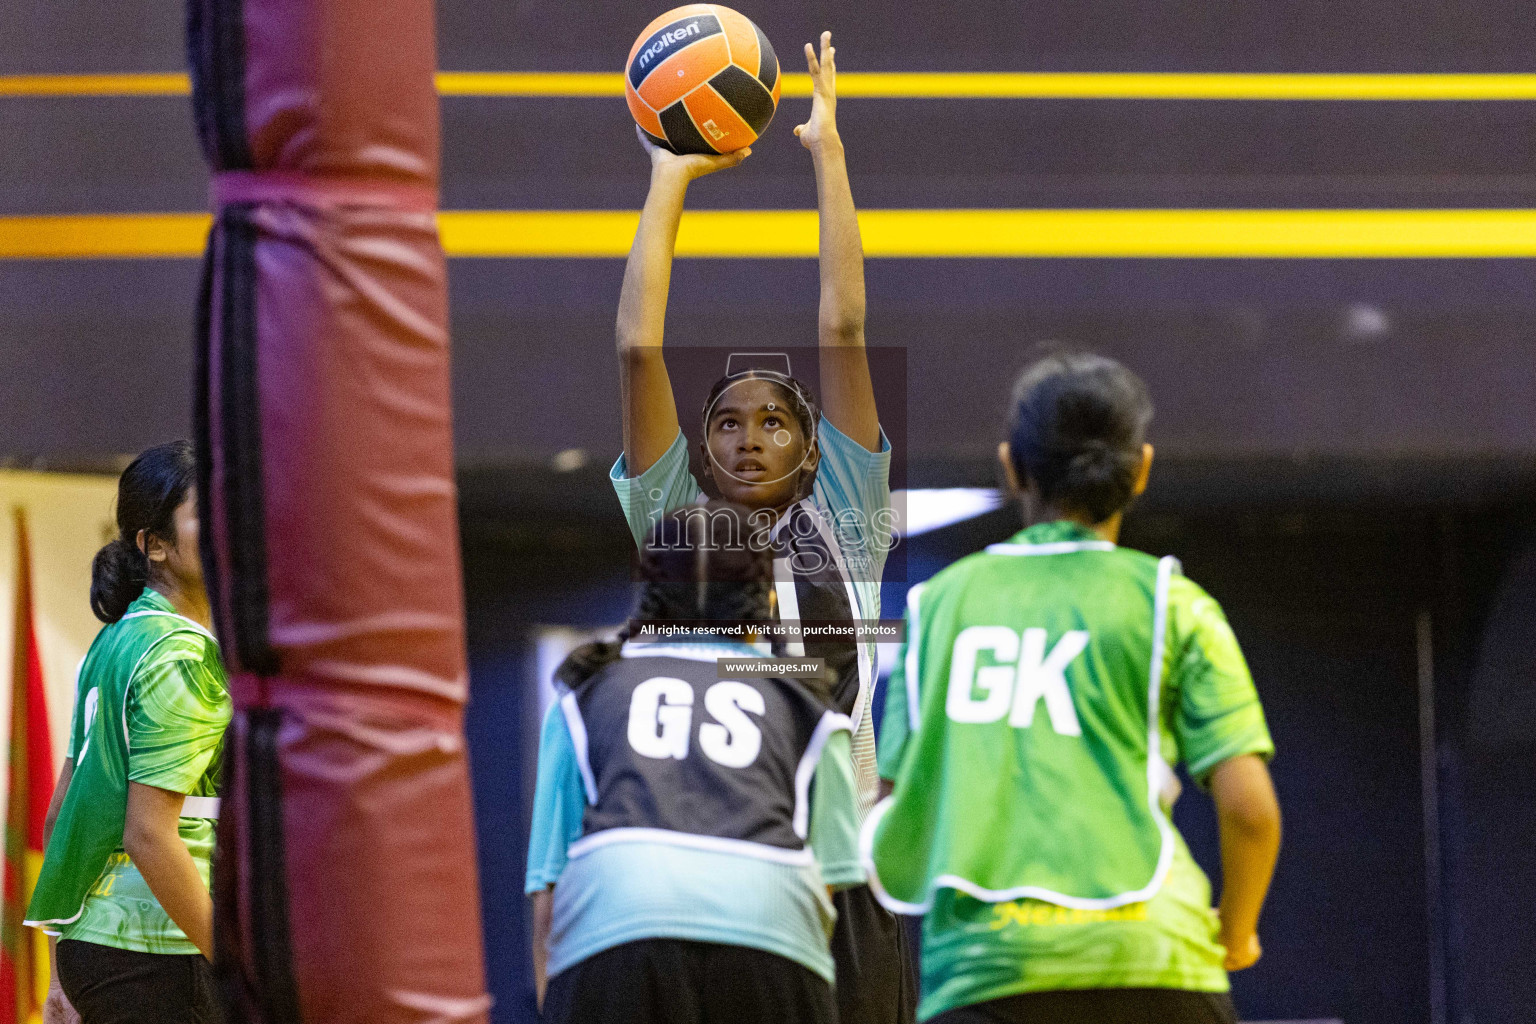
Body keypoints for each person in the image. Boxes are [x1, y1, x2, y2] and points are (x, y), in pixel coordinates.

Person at [611, 30, 913, 1024]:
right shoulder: (675, 530)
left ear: (816, 448)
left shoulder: (850, 526)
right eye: (728, 423)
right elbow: (637, 348)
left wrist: (827, 154)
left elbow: (843, 327)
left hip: (842, 884)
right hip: (715, 876)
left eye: (775, 420)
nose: (748, 438)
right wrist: (669, 177)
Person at [867, 351, 1283, 1024]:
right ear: (1141, 468)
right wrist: (1235, 933)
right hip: (1159, 967)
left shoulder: (938, 606)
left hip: (987, 974)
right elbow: (1251, 812)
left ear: (1011, 467)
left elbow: (885, 805)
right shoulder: (1172, 602)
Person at [526, 502, 863, 1024]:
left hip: (617, 932)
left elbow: (550, 895)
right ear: (767, 597)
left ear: (647, 593)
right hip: (769, 936)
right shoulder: (808, 700)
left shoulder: (585, 693)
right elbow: (827, 885)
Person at [27, 440, 231, 1024]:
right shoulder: (181, 656)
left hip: (100, 952)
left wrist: (62, 969)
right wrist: (238, 964)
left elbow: (63, 811)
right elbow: (148, 834)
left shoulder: (117, 639)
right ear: (154, 545)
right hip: (164, 954)